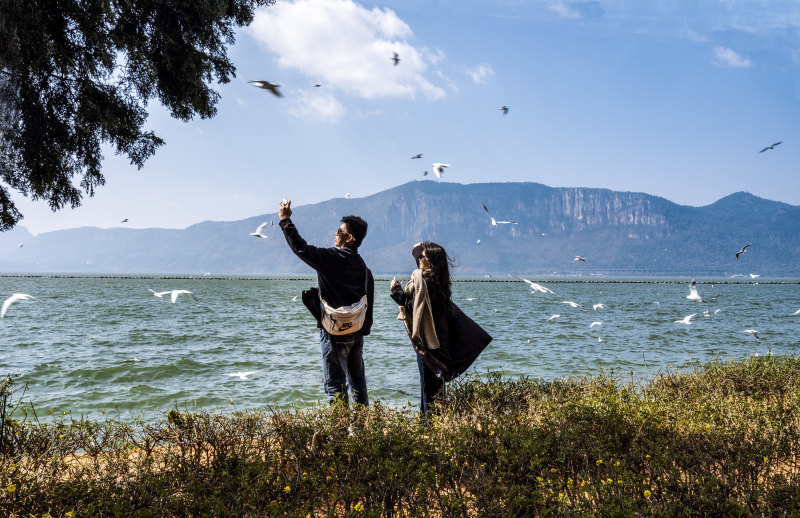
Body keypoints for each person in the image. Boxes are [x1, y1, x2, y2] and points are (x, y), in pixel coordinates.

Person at [279, 199, 374, 406]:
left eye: (340, 231)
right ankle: (364, 423)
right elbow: (369, 300)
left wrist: (286, 221)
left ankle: (339, 426)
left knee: (335, 385)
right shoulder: (363, 267)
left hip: (334, 331)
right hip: (356, 330)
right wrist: (362, 330)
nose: (335, 233)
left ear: (349, 238)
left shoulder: (331, 258)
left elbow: (300, 248)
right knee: (358, 383)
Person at [391, 242, 492, 416]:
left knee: (429, 390)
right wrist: (418, 248)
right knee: (434, 388)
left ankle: (429, 425)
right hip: (439, 342)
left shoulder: (426, 283)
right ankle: (433, 424)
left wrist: (396, 290)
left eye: (423, 256)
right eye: (420, 256)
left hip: (429, 346)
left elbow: (413, 306)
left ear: (432, 261)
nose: (420, 259)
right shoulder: (436, 280)